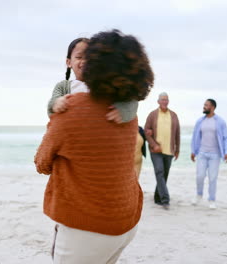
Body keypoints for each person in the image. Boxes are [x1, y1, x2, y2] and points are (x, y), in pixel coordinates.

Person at [35, 29, 154, 264]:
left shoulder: (72, 107)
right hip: (126, 218)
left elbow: (42, 163)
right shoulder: (127, 112)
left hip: (87, 227)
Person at [47, 37, 138, 123]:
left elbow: (131, 99)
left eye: (89, 58)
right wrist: (56, 104)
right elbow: (51, 106)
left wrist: (123, 111)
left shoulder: (107, 83)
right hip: (75, 135)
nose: (85, 61)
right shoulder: (62, 86)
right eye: (79, 57)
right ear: (69, 62)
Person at [190, 99, 227, 209]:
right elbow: (195, 137)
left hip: (215, 155)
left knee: (212, 178)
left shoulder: (220, 121)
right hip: (202, 153)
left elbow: (226, 137)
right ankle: (199, 195)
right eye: (204, 105)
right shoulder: (200, 121)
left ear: (212, 107)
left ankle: (212, 199)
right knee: (200, 176)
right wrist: (193, 151)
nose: (204, 107)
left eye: (206, 105)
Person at [144, 93, 181, 209]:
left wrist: (177, 149)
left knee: (164, 176)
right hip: (156, 151)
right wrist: (154, 145)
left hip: (169, 151)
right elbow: (146, 130)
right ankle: (165, 199)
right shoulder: (152, 114)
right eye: (162, 100)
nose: (165, 101)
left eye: (166, 100)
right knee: (159, 172)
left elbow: (177, 133)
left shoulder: (174, 115)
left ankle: (157, 197)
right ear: (158, 102)